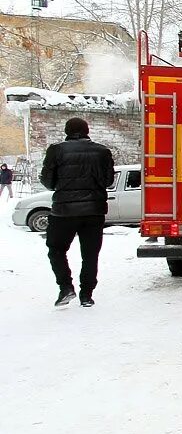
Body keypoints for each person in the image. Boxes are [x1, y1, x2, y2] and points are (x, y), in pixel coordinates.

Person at [40, 117, 114, 307]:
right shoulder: (102, 152)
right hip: (94, 211)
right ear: (87, 131)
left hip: (63, 212)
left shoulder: (56, 150)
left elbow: (48, 182)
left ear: (67, 131)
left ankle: (66, 287)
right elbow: (108, 182)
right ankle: (87, 295)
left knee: (56, 250)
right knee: (90, 254)